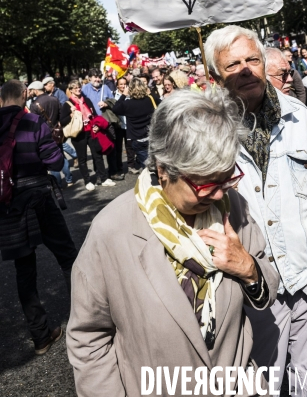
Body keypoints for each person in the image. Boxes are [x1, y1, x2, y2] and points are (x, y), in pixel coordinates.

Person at [66, 89, 279, 396]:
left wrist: (248, 268)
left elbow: (266, 287)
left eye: (227, 178)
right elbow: (89, 339)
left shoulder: (233, 207)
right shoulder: (112, 230)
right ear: (164, 169)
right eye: (206, 183)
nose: (220, 194)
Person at [204, 25, 307, 395]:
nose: (245, 69)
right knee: (260, 386)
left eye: (252, 59)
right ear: (214, 77)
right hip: (251, 292)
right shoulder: (206, 132)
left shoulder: (299, 116)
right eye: (232, 64)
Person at [0, 80, 77, 355]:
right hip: (38, 198)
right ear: (24, 95)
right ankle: (85, 321)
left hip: (8, 206)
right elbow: (56, 163)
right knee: (68, 257)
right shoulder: (33, 122)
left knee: (24, 270)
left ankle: (41, 336)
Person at [60, 81, 116, 191]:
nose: (78, 89)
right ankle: (87, 181)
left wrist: (96, 125)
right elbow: (62, 121)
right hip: (78, 135)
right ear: (70, 90)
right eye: (75, 88)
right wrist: (71, 114)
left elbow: (94, 115)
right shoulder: (67, 104)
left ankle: (104, 179)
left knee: (98, 155)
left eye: (79, 87)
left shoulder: (87, 100)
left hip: (91, 132)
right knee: (82, 159)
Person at [112, 78, 157, 174]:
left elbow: (115, 109)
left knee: (147, 167)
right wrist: (150, 94)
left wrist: (123, 95)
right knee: (154, 164)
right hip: (150, 136)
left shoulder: (127, 104)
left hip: (137, 139)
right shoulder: (149, 100)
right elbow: (161, 103)